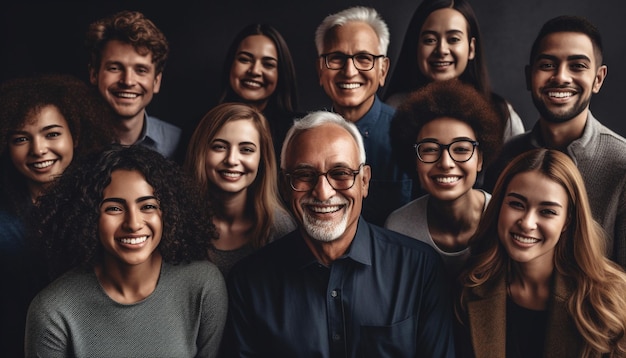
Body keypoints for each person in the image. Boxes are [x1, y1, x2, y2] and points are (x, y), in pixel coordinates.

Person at [222, 110, 456, 357]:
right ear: (284, 185)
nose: (323, 192)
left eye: (341, 174)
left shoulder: (419, 269)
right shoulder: (248, 283)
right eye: (304, 175)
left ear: (364, 181)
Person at [25, 144, 227, 357]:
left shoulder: (202, 286)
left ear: (168, 212)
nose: (133, 223)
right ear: (89, 217)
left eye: (148, 206)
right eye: (114, 208)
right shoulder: (54, 312)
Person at [482, 15, 626, 269]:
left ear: (598, 79)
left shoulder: (621, 164)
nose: (561, 77)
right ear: (529, 76)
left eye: (577, 66)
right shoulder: (505, 156)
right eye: (547, 65)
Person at [457, 149, 626, 357]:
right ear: (500, 206)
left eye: (547, 211)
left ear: (568, 221)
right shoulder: (469, 288)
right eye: (517, 204)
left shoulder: (609, 299)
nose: (527, 223)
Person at [0, 73, 115, 357]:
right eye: (21, 138)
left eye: (52, 134)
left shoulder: (104, 201)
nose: (38, 150)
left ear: (75, 135)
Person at [385, 80, 502, 280]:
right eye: (430, 149)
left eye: (461, 149)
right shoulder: (398, 228)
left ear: (480, 159)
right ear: (415, 160)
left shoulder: (502, 219)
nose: (446, 163)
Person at [314, 6, 413, 226]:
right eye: (337, 58)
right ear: (321, 69)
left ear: (383, 70)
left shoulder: (409, 135)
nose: (349, 71)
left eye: (364, 58)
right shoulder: (304, 138)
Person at [383, 0, 524, 142]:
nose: (442, 50)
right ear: (415, 47)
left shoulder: (502, 114)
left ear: (471, 48)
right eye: (430, 40)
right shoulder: (394, 109)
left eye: (453, 39)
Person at [184, 102, 295, 277]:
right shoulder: (179, 224)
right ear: (201, 152)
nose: (232, 160)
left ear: (261, 159)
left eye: (246, 150)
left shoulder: (279, 228)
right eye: (219, 147)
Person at [86, 10, 181, 159]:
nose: (128, 81)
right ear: (94, 74)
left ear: (156, 82)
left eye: (141, 70)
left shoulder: (179, 143)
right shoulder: (73, 141)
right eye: (115, 68)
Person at [217, 23, 301, 161]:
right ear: (230, 65)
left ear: (281, 74)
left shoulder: (298, 133)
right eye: (244, 59)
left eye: (268, 64)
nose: (255, 71)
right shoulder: (200, 126)